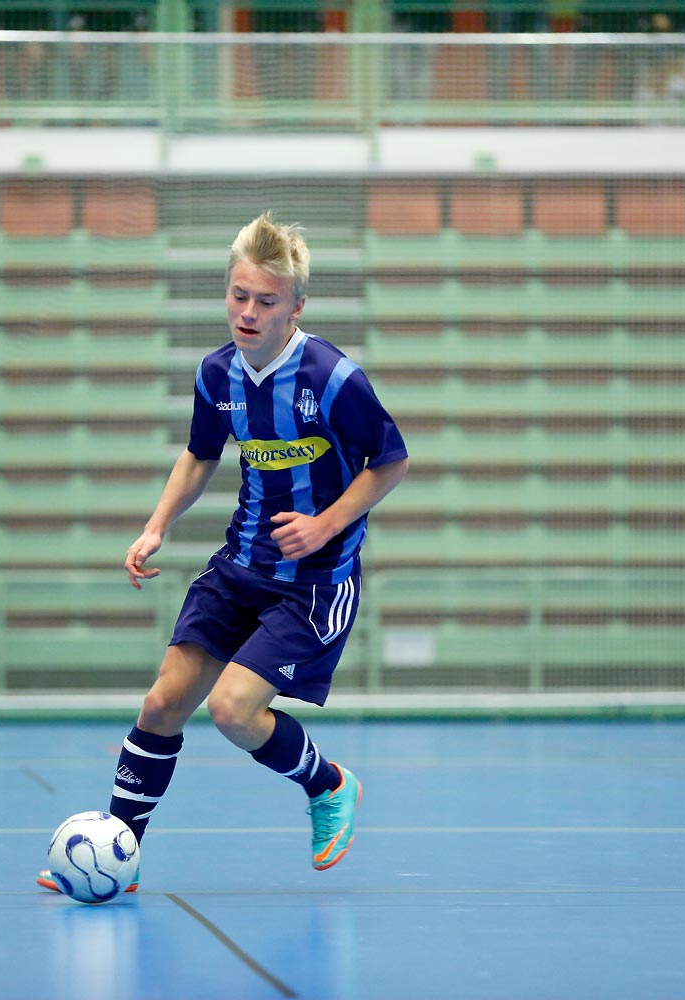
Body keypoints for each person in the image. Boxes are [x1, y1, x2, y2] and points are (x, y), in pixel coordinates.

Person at [38, 213, 409, 891]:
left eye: (266, 300)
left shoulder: (331, 378)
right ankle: (120, 854)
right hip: (239, 569)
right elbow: (200, 455)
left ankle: (328, 785)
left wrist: (325, 525)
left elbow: (390, 461)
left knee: (234, 710)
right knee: (160, 705)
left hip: (314, 583)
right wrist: (154, 527)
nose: (248, 311)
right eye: (239, 295)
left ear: (296, 306)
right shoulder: (216, 374)